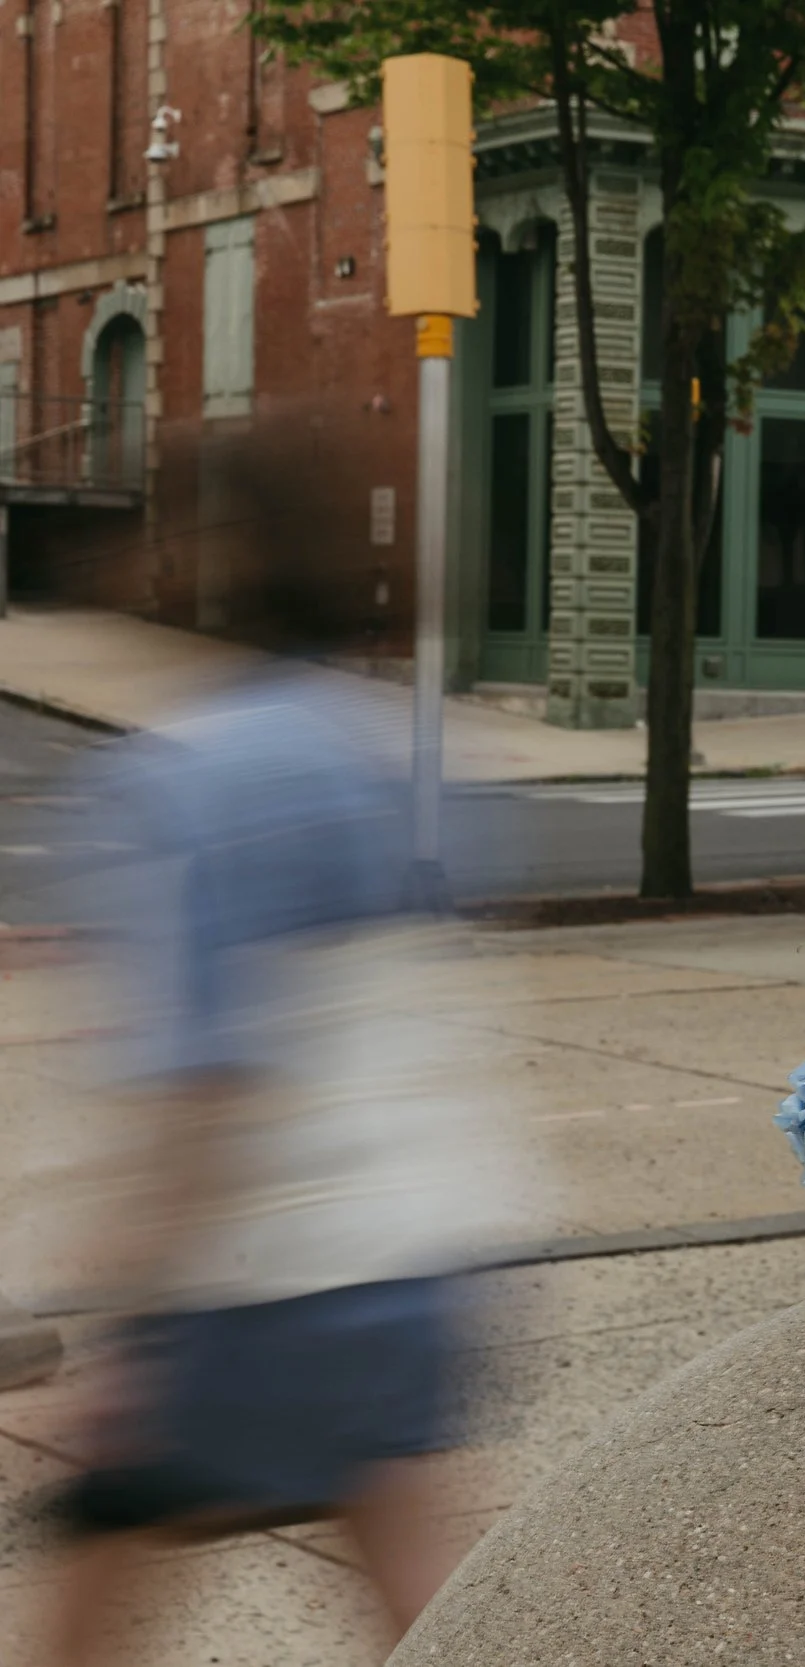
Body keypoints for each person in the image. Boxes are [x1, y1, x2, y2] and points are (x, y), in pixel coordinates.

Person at [42, 428, 507, 1662]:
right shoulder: (384, 750)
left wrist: (130, 1308)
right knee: (419, 1591)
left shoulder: (197, 774)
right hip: (414, 1257)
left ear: (211, 558)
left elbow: (207, 1072)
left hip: (258, 1283)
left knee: (92, 1579)